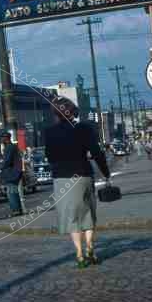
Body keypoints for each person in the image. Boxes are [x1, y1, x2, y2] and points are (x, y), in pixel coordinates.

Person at [45, 97, 111, 269]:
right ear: (73, 111)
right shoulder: (84, 128)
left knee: (71, 218)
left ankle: (80, 254)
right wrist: (106, 173)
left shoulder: (49, 132)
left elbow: (50, 157)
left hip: (62, 178)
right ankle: (90, 247)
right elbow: (97, 152)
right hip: (83, 174)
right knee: (88, 213)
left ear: (55, 113)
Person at [0, 132, 23, 217]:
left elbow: (7, 161)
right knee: (14, 192)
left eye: (2, 138)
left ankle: (15, 211)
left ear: (6, 138)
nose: (1, 140)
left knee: (11, 193)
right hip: (15, 173)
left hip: (11, 174)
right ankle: (18, 210)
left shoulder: (9, 147)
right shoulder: (12, 147)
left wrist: (0, 167)